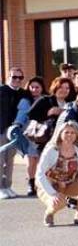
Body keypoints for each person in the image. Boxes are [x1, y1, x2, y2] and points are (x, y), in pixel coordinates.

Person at [35, 121, 78, 227]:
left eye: (73, 133)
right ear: (60, 133)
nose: (69, 135)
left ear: (76, 135)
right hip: (50, 185)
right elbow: (40, 173)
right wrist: (52, 194)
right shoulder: (51, 150)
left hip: (69, 184)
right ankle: (49, 213)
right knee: (59, 202)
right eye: (66, 132)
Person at [15, 76, 46, 196]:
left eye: (37, 87)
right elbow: (21, 115)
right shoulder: (25, 100)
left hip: (42, 133)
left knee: (40, 159)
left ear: (42, 88)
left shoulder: (45, 99)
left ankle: (39, 184)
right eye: (32, 87)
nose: (34, 89)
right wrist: (17, 125)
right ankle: (30, 183)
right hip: (29, 133)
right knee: (31, 159)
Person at [1, 67, 25, 199]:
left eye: (19, 78)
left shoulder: (22, 93)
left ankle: (7, 186)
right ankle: (0, 187)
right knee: (0, 160)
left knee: (10, 160)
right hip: (1, 130)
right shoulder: (1, 91)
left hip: (14, 131)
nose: (17, 80)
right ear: (8, 77)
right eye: (14, 77)